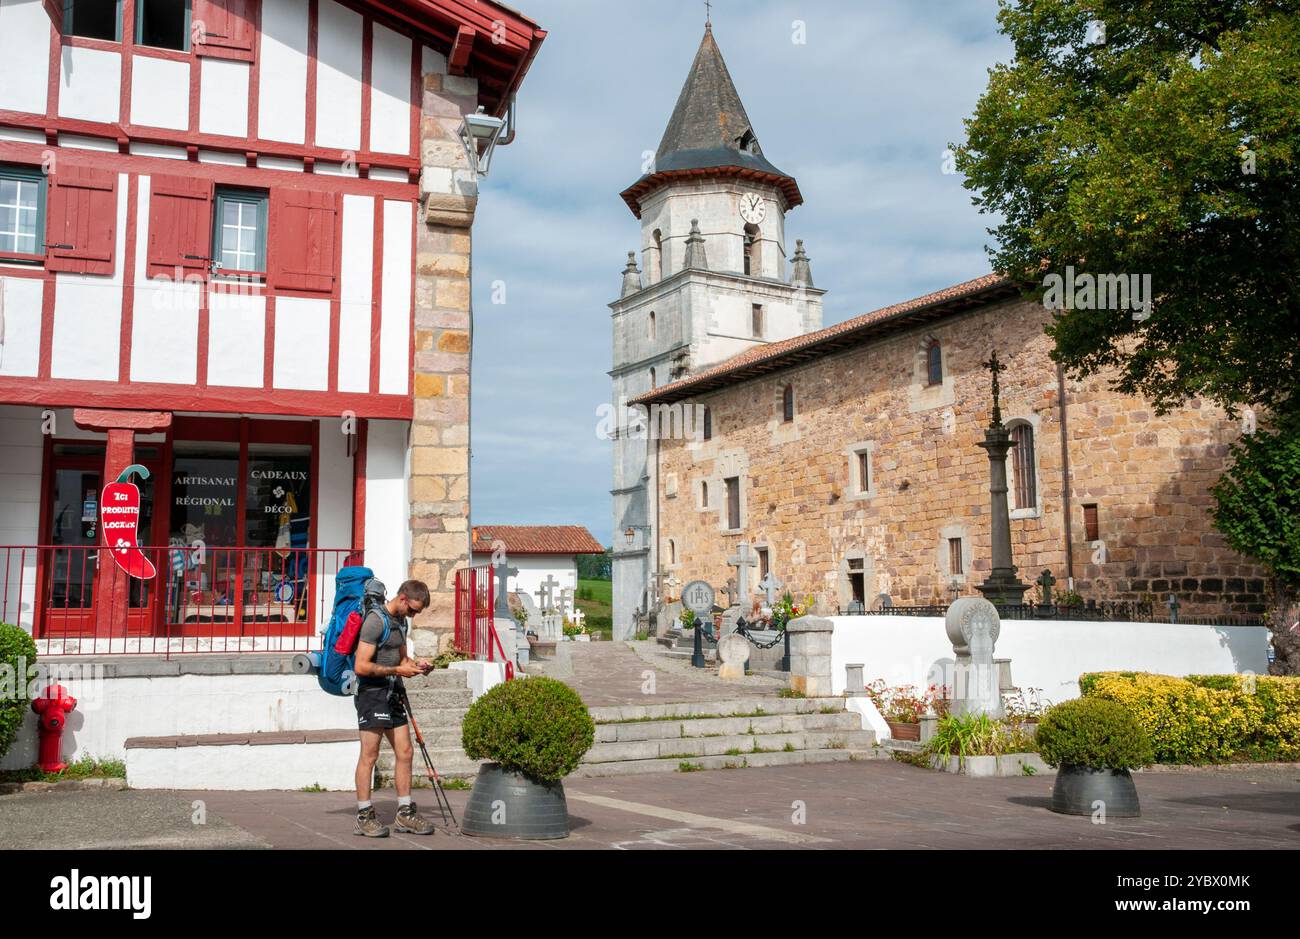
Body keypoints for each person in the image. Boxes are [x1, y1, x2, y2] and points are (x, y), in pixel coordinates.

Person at [352, 580, 436, 837]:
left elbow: (402, 658)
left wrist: (416, 665)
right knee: (370, 754)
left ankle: (404, 814)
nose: (414, 615)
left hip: (393, 691)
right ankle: (364, 815)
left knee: (406, 751)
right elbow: (361, 667)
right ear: (402, 599)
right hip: (371, 693)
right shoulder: (375, 622)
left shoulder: (401, 622)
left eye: (417, 612)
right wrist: (397, 670)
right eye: (412, 610)